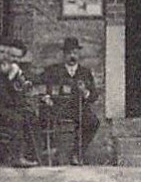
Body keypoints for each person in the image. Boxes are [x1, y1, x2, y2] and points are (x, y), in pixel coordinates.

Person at [42, 36, 99, 164]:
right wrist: (45, 97)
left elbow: (94, 96)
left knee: (93, 122)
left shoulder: (85, 72)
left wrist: (85, 91)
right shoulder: (53, 71)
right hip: (57, 108)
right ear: (64, 54)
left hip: (78, 108)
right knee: (44, 116)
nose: (72, 56)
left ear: (79, 54)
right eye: (69, 53)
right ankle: (49, 151)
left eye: (75, 53)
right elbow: (40, 85)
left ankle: (77, 154)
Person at [0, 37, 41, 167]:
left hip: (5, 106)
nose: (7, 57)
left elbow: (16, 92)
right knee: (17, 118)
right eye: (4, 53)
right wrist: (10, 77)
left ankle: (34, 153)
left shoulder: (10, 68)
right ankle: (16, 157)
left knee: (30, 115)